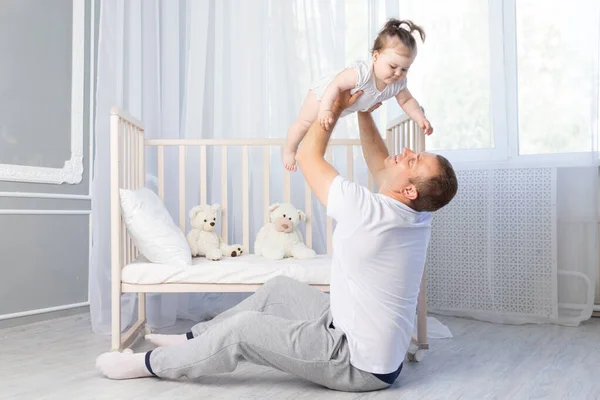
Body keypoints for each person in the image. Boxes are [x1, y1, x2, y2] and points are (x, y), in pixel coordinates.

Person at [95, 89, 458, 392]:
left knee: (243, 331)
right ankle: (194, 340)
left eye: (414, 160)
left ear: (408, 189)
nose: (406, 153)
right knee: (280, 287)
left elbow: (306, 154)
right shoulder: (415, 214)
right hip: (345, 325)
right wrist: (364, 113)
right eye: (415, 152)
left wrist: (334, 105)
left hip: (359, 362)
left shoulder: (371, 212)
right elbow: (381, 165)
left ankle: (148, 364)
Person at [282, 18, 433, 171]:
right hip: (323, 96)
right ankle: (289, 150)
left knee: (319, 128)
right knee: (305, 124)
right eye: (393, 66)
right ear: (375, 57)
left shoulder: (397, 84)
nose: (398, 73)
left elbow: (407, 101)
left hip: (346, 106)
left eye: (404, 69)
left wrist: (420, 118)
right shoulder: (361, 73)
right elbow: (335, 85)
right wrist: (326, 109)